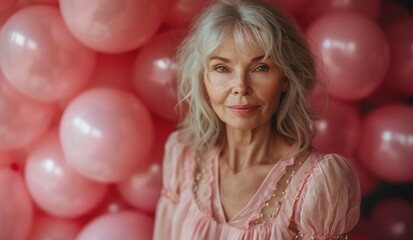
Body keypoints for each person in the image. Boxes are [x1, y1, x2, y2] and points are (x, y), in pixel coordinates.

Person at [153, 0, 361, 239]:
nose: (240, 87)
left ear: (285, 78)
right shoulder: (183, 155)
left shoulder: (317, 183)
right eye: (222, 68)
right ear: (203, 80)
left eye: (260, 68)